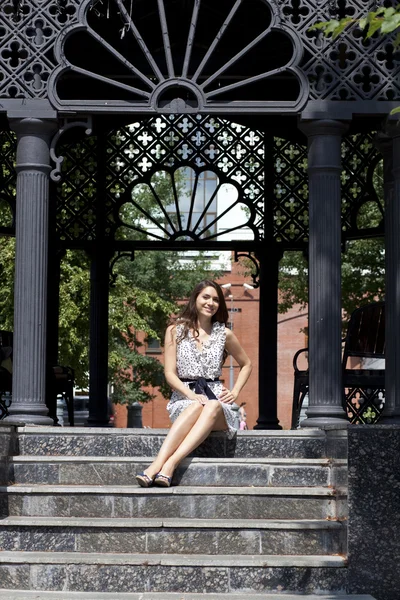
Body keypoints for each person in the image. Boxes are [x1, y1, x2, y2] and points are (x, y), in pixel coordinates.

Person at [135, 280, 252, 487]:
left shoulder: (224, 333)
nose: (211, 303)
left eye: (216, 299)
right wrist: (191, 396)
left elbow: (246, 364)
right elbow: (170, 374)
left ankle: (168, 464)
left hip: (217, 404)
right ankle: (157, 467)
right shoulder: (175, 330)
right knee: (198, 404)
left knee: (213, 404)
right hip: (184, 399)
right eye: (206, 297)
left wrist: (234, 392)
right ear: (195, 299)